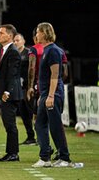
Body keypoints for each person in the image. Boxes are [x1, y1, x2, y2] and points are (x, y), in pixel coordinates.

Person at [32, 22, 71, 168]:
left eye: (38, 32)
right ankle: (45, 158)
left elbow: (55, 75)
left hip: (53, 94)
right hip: (45, 94)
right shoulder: (46, 50)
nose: (36, 35)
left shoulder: (54, 51)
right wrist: (43, 95)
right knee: (39, 124)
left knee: (55, 126)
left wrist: (50, 96)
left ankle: (64, 158)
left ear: (44, 33)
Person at [0, 24, 23, 162]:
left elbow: (13, 74)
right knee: (8, 124)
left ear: (9, 36)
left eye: (1, 33)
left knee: (10, 124)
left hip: (10, 94)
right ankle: (11, 152)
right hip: (4, 93)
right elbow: (1, 75)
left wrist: (8, 91)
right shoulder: (4, 51)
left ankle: (13, 153)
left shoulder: (13, 52)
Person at [14, 33, 36, 145]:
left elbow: (32, 69)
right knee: (23, 113)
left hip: (29, 87)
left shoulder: (29, 53)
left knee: (33, 111)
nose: (16, 42)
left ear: (23, 41)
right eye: (14, 41)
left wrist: (31, 86)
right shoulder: (14, 54)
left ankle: (41, 137)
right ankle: (30, 137)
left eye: (18, 40)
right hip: (20, 88)